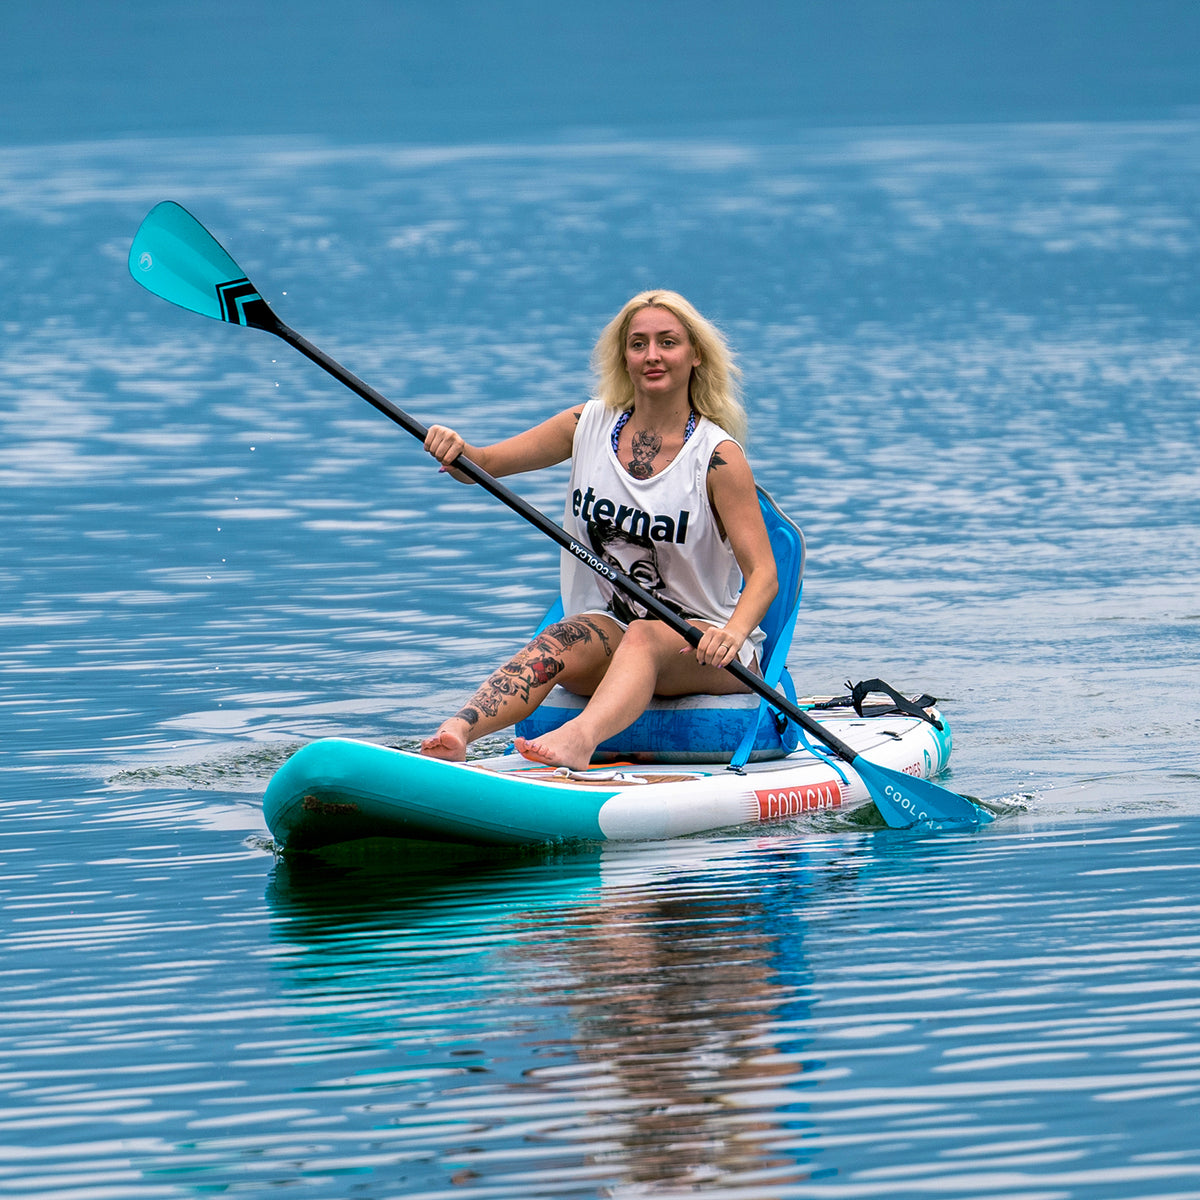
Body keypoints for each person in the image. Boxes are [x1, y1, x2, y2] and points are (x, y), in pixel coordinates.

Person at [419, 290, 778, 771]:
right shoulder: (585, 424)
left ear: (695, 356)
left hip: (704, 644)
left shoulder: (718, 457)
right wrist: (456, 448)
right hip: (615, 630)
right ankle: (458, 731)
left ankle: (579, 740)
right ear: (623, 358)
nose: (652, 355)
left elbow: (764, 574)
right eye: (638, 344)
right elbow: (483, 465)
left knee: (646, 637)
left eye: (667, 342)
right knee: (564, 633)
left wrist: (733, 633)